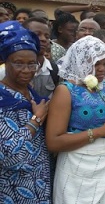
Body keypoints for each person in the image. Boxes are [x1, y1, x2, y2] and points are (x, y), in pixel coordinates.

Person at [46, 36, 105, 203]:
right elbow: (53, 141)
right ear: (80, 62)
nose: (102, 69)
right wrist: (98, 132)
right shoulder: (65, 91)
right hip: (77, 168)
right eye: (96, 63)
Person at [0, 21, 51, 203]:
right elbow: (7, 156)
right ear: (5, 62)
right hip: (11, 189)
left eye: (31, 64)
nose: (26, 70)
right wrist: (36, 120)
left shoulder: (32, 94)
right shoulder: (2, 98)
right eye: (18, 63)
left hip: (39, 185)